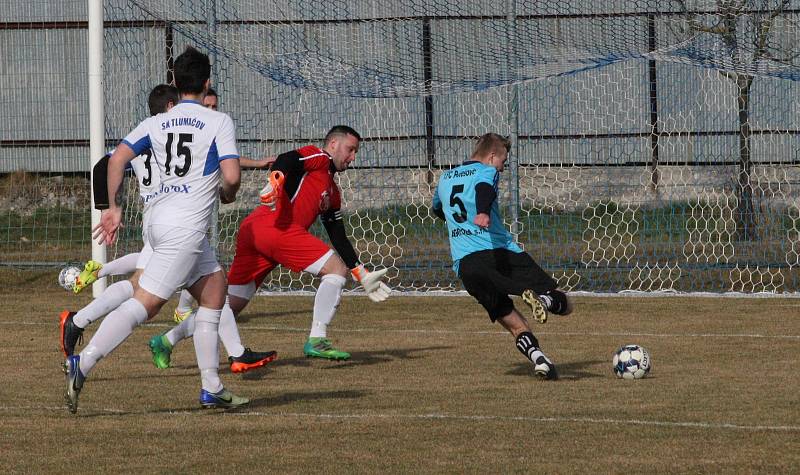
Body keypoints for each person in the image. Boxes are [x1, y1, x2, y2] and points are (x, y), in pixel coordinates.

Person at [65, 46, 248, 413]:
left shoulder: (157, 121)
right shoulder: (218, 121)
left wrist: (112, 208)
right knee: (144, 304)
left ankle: (212, 386)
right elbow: (231, 176)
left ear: (176, 84)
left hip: (158, 220)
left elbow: (116, 159)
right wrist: (227, 193)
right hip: (186, 228)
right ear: (207, 82)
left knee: (214, 289)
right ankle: (82, 362)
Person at [59, 85, 275, 375]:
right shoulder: (168, 134)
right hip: (170, 219)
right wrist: (109, 207)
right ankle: (81, 329)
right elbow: (219, 161)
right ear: (173, 106)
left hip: (165, 218)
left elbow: (108, 163)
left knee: (213, 284)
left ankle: (233, 358)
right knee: (144, 296)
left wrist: (108, 205)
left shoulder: (151, 134)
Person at [148, 125, 391, 365]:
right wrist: (276, 178)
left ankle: (166, 340)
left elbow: (338, 235)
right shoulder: (318, 157)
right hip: (277, 227)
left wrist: (361, 273)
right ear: (333, 144)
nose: (353, 157)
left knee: (226, 306)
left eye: (355, 152)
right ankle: (317, 339)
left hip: (255, 230)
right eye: (350, 149)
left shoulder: (332, 191)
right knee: (336, 270)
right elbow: (287, 159)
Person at [431, 133, 572, 380]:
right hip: (498, 252)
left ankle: (540, 360)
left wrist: (459, 224)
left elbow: (437, 209)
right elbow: (485, 189)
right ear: (492, 155)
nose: (502, 168)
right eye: (503, 162)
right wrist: (483, 212)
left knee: (511, 320)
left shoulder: (445, 178)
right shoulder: (486, 171)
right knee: (564, 302)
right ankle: (545, 301)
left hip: (466, 266)